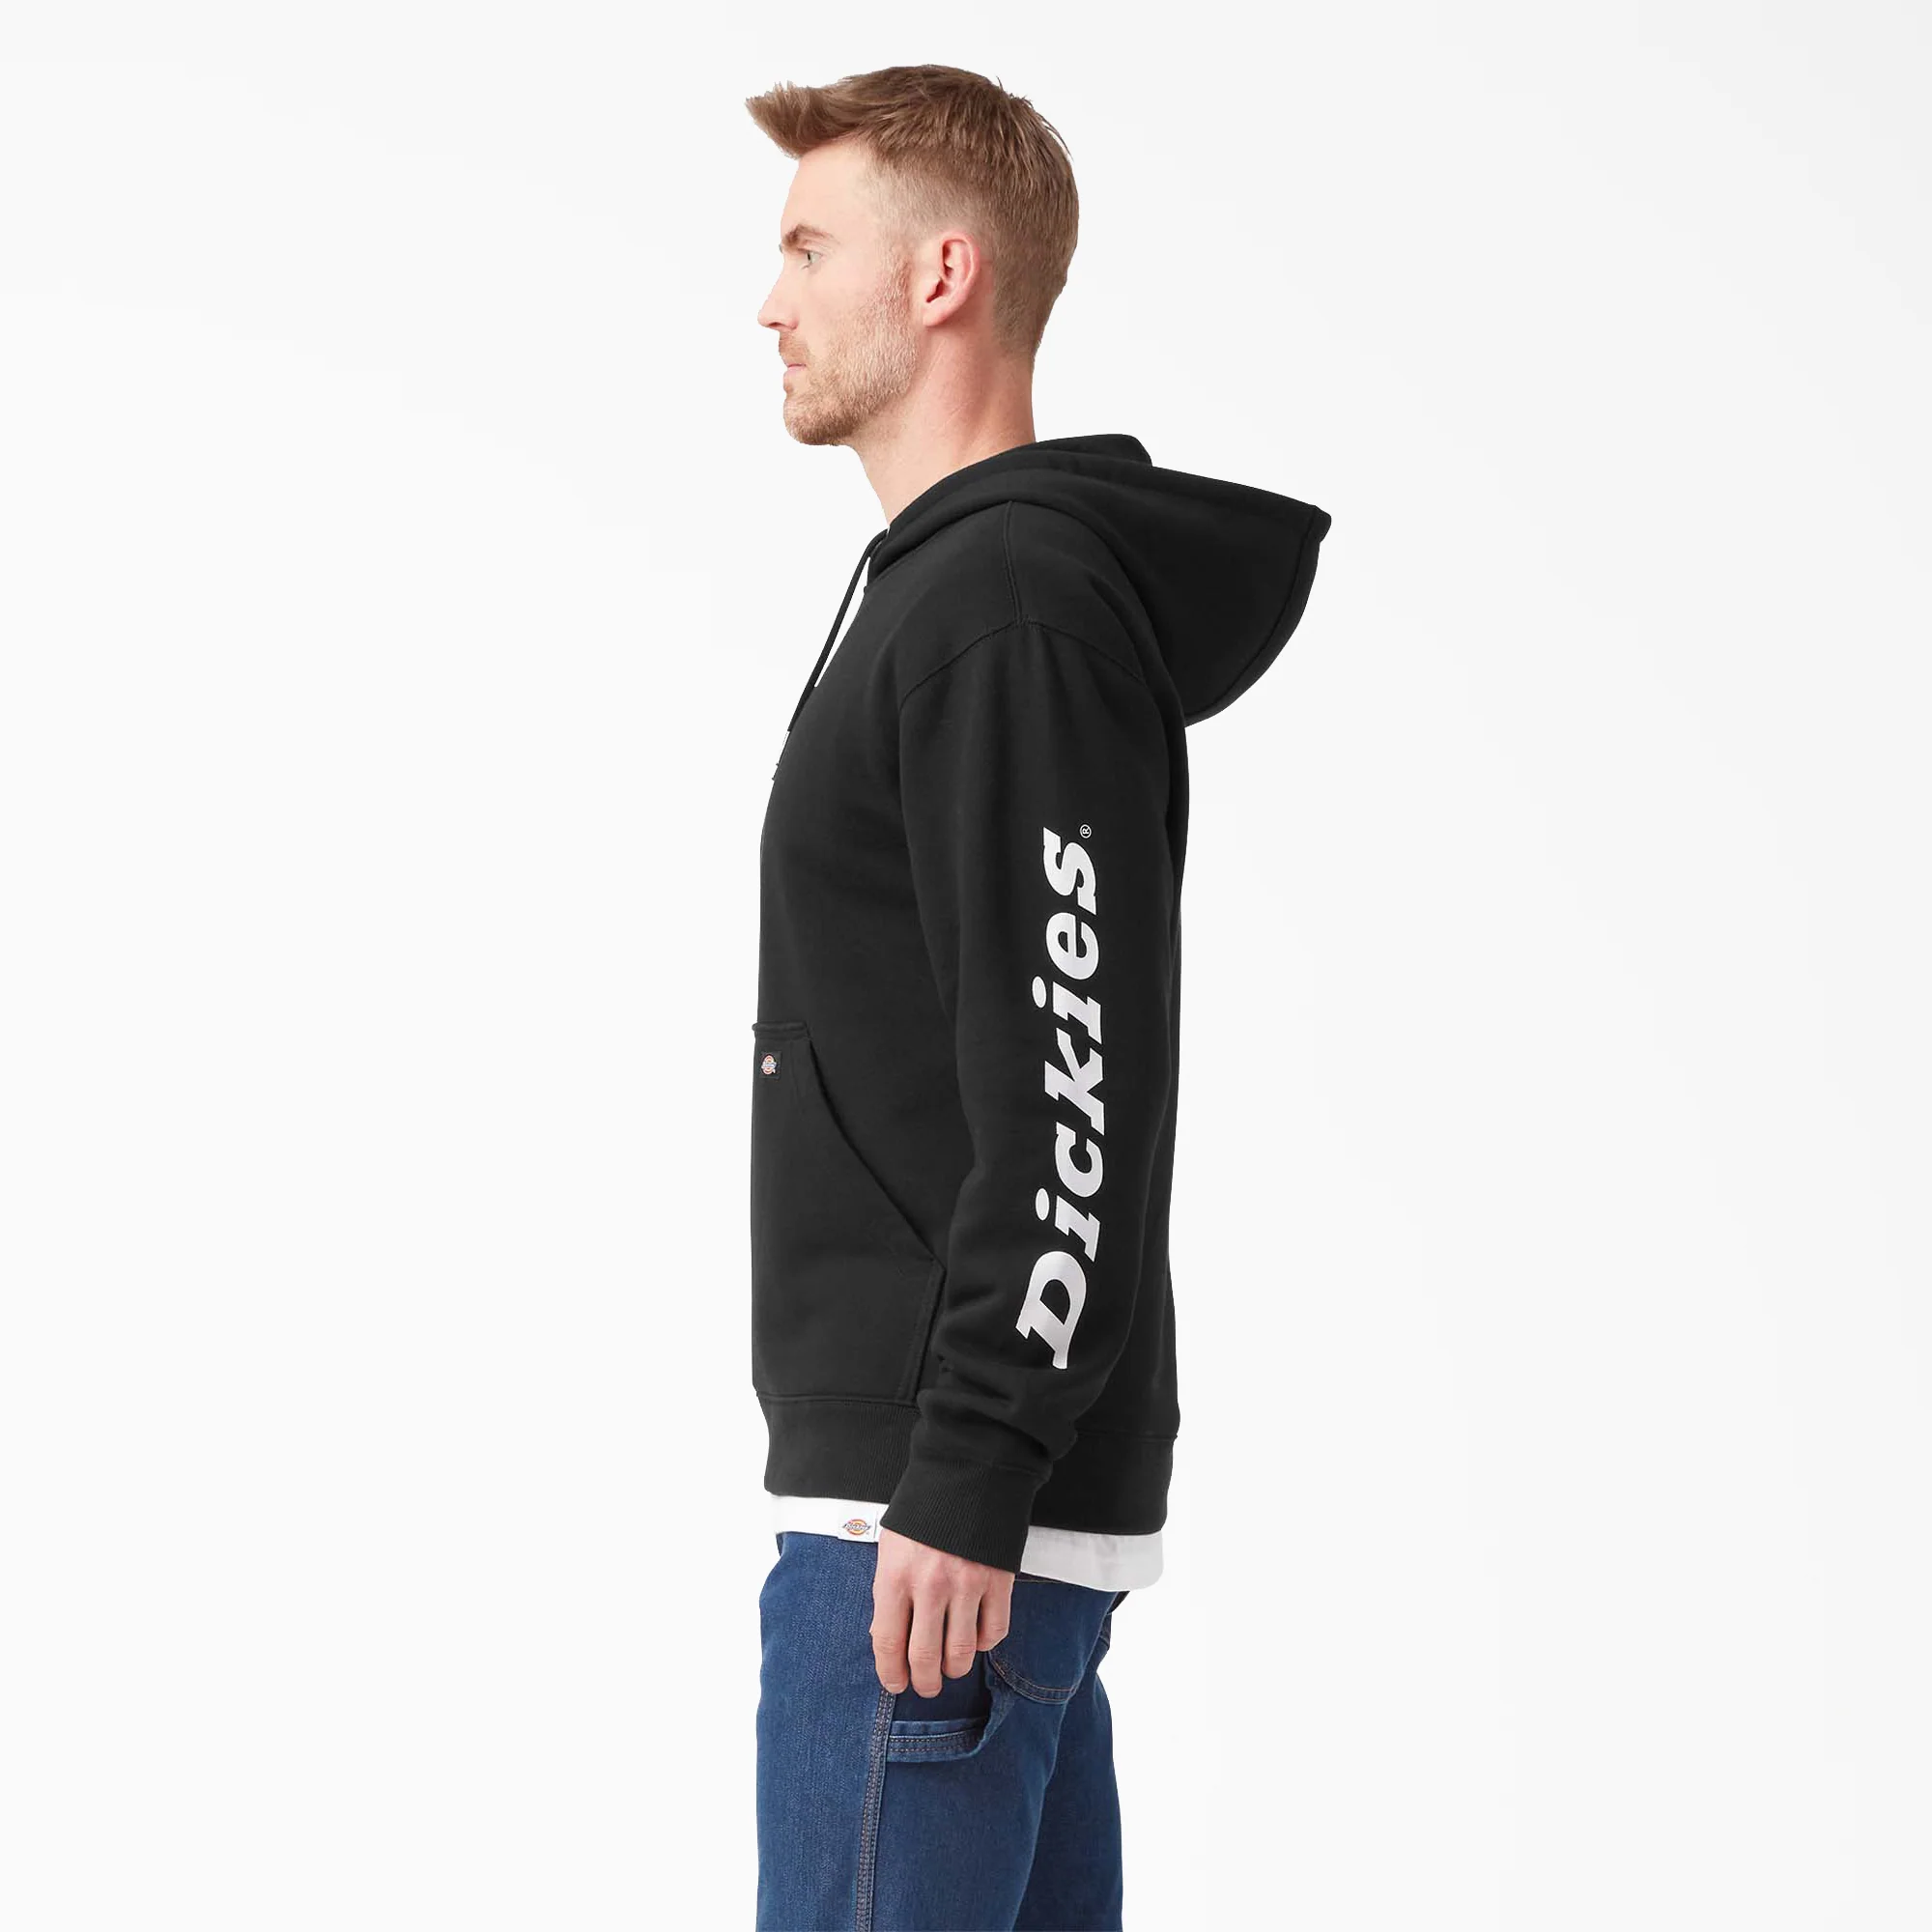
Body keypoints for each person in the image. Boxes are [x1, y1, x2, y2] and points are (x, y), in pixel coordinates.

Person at [745, 64, 1332, 1929]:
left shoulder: (1003, 606)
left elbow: (1075, 1075)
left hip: (926, 1537)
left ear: (941, 276)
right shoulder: (959, 593)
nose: (767, 300)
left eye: (808, 248)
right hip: (955, 1518)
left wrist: (968, 1469)